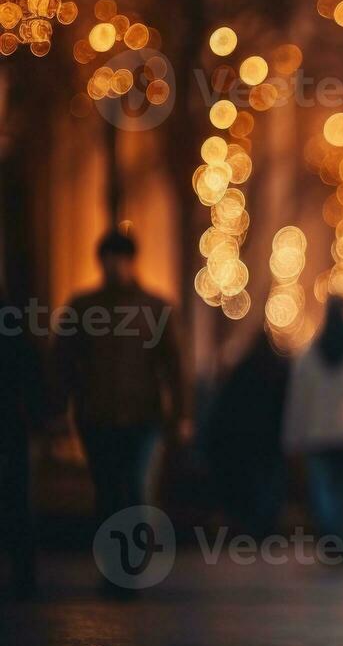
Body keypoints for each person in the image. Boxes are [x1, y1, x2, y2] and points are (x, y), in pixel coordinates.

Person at [56, 230, 183, 593]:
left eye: (120, 258)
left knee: (136, 488)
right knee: (108, 490)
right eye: (109, 258)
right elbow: (64, 360)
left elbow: (175, 364)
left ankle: (132, 561)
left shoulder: (155, 308)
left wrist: (181, 414)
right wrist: (56, 408)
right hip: (97, 416)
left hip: (143, 417)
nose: (114, 266)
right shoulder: (83, 308)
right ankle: (114, 565)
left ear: (131, 261)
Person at [283, 297, 343, 550]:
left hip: (317, 435)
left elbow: (298, 400)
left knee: (323, 491)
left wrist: (292, 436)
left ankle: (332, 537)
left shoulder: (309, 354)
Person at [201, 331, 290, 537]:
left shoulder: (242, 371)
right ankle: (267, 525)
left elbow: (225, 409)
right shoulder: (279, 370)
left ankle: (253, 525)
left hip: (246, 439)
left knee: (252, 482)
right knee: (269, 482)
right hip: (271, 439)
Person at [1, 287, 46, 598]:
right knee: (17, 498)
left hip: (10, 422)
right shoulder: (13, 323)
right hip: (11, 421)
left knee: (16, 497)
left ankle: (23, 573)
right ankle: (23, 574)